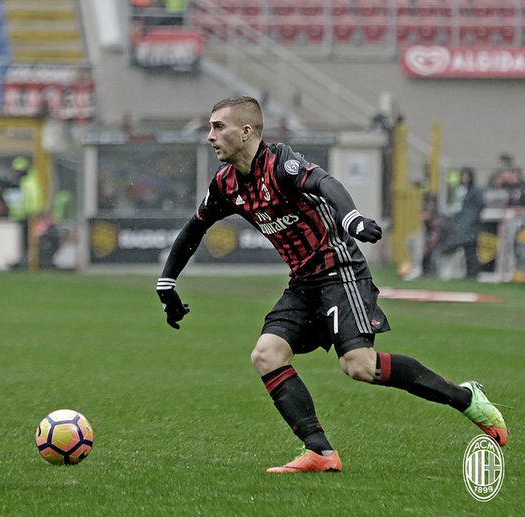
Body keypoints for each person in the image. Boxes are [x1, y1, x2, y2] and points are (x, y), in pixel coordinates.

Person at [155, 96, 508, 473]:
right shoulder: (227, 184)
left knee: (358, 365)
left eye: (217, 126)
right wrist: (167, 282)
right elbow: (195, 227)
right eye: (210, 127)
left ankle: (465, 397)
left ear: (246, 131)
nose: (210, 135)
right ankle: (321, 453)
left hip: (340, 272)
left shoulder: (282, 164)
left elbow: (326, 183)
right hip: (302, 283)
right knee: (266, 355)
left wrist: (352, 218)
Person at [442, 167, 484, 278]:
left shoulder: (476, 191)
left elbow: (480, 205)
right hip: (461, 224)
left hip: (471, 225)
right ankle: (468, 273)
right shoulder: (460, 189)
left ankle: (473, 273)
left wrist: (471, 219)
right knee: (465, 251)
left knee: (472, 251)